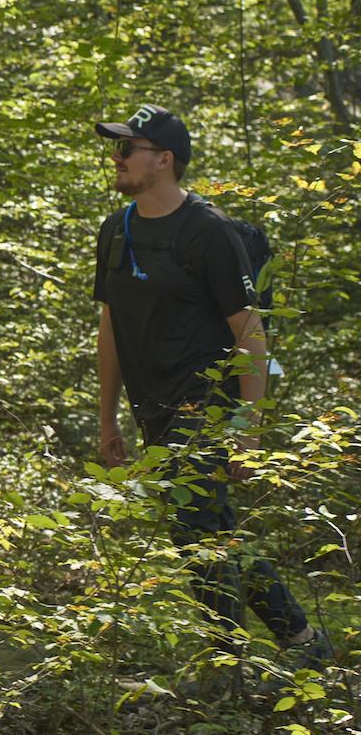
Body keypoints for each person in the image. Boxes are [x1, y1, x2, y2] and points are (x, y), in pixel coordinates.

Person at [93, 103, 330, 692]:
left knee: (195, 529)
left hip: (209, 406)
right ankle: (301, 641)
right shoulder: (115, 229)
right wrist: (107, 419)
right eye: (116, 148)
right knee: (210, 529)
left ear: (163, 159)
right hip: (153, 406)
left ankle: (227, 671)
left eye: (128, 149)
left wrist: (249, 428)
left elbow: (250, 334)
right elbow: (109, 329)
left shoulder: (209, 232)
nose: (116, 159)